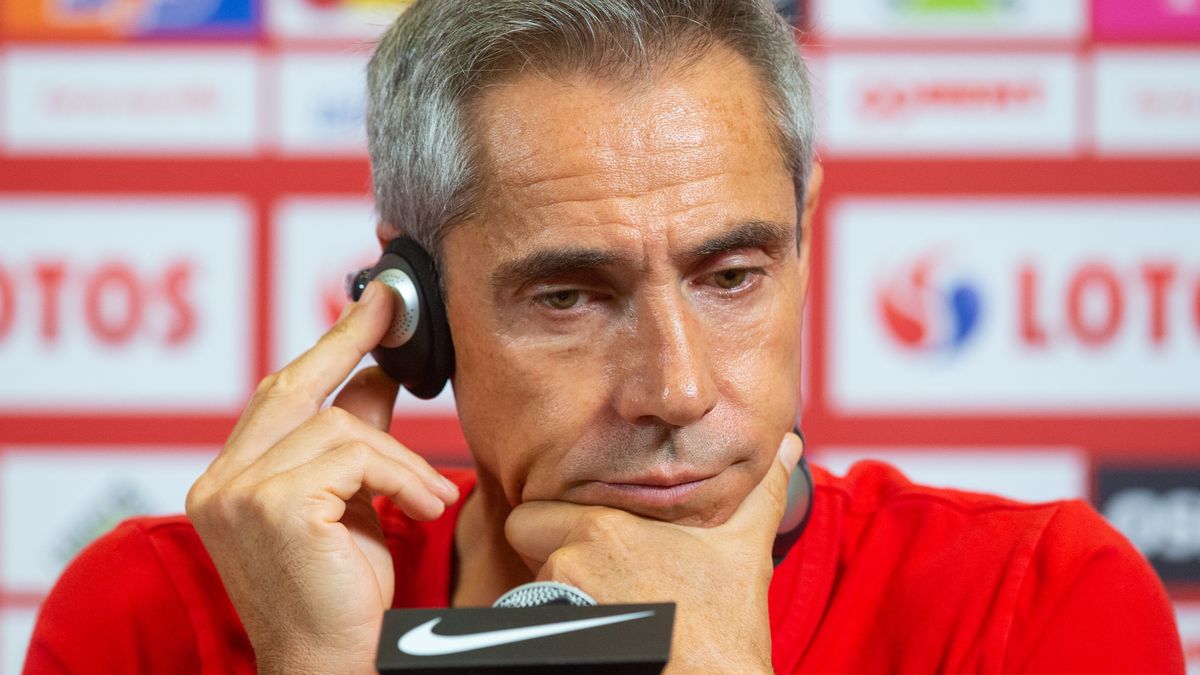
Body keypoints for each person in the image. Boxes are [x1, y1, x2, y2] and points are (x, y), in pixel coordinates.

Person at [26, 1, 1184, 672]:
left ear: (806, 237)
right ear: (409, 307)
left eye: (732, 274)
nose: (676, 391)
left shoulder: (1032, 609)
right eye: (569, 298)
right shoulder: (162, 617)